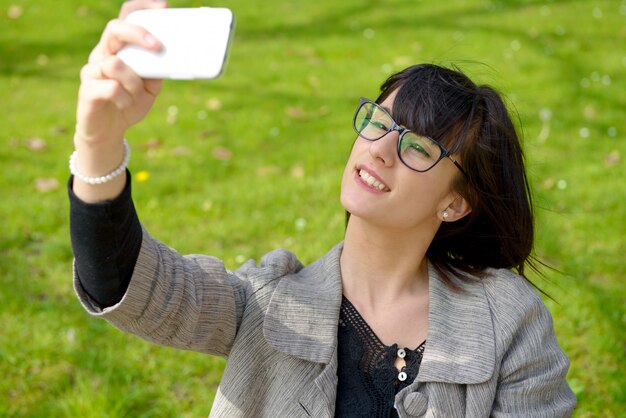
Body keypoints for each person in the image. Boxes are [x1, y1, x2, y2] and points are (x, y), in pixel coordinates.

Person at [69, 1, 576, 416]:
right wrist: (99, 142)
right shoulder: (266, 302)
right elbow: (128, 284)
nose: (379, 148)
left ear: (456, 203)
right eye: (378, 121)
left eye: (418, 147)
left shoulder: (508, 320)